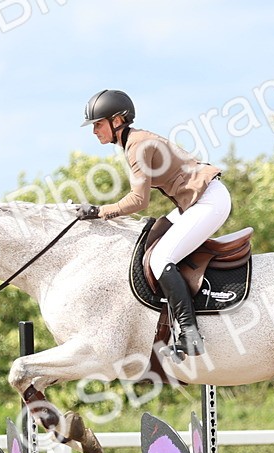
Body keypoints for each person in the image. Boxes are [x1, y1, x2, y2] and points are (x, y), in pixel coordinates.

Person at [75, 89, 230, 357]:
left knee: (160, 259)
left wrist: (100, 211)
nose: (94, 131)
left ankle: (191, 335)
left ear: (117, 120)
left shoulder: (137, 146)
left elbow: (139, 200)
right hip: (196, 200)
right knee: (150, 238)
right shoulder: (134, 141)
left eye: (98, 124)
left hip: (208, 201)